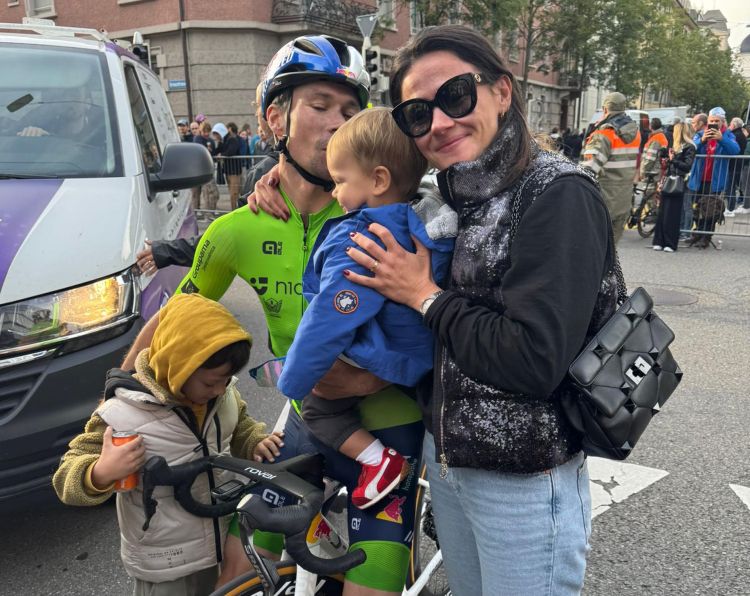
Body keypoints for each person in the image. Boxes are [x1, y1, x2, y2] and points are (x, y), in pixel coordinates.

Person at [125, 35, 423, 596]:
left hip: (390, 429)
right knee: (237, 570)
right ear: (274, 118)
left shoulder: (381, 212)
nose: (337, 122)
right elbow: (177, 313)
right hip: (309, 421)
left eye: (350, 111)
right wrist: (114, 399)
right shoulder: (238, 229)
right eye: (320, 105)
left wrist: (372, 377)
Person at [340, 24, 614, 595]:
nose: (439, 122)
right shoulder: (450, 196)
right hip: (449, 464)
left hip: (523, 480)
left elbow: (535, 360)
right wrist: (276, 179)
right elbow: (355, 176)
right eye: (418, 114)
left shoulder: (557, 193)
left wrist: (424, 296)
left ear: (501, 92)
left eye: (456, 96)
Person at [277, 107, 455, 510]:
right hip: (420, 350)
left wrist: (294, 379)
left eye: (340, 181)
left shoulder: (361, 238)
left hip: (381, 352)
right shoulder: (425, 220)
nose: (334, 193)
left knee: (316, 410)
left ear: (378, 180)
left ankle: (378, 463)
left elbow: (330, 316)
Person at [52, 293, 283, 596]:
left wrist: (254, 441)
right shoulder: (122, 414)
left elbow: (239, 424)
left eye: (226, 380)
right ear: (178, 368)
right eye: (210, 382)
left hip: (221, 542)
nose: (219, 390)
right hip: (166, 564)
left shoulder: (222, 396)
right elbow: (65, 478)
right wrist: (101, 472)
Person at [581, 91, 641, 242]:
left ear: (605, 109)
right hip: (624, 197)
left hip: (604, 196)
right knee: (612, 245)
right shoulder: (635, 132)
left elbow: (588, 169)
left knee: (594, 245)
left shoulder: (605, 133)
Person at [686, 106, 740, 248]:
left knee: (711, 209)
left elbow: (735, 150)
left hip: (715, 180)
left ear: (722, 121)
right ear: (708, 121)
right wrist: (703, 140)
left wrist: (722, 139)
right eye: (712, 121)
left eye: (717, 121)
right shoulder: (701, 133)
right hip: (699, 178)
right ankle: (697, 233)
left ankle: (706, 236)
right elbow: (690, 149)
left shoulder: (728, 135)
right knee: (698, 207)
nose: (714, 123)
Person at [652, 122, 695, 252]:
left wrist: (673, 160)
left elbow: (687, 166)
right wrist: (664, 154)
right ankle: (659, 240)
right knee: (663, 212)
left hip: (678, 180)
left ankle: (670, 242)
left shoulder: (689, 147)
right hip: (669, 179)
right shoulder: (674, 146)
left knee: (673, 213)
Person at [680, 113, 708, 240]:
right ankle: (684, 230)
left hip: (692, 175)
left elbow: (693, 146)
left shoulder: (700, 136)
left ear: (701, 123)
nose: (692, 125)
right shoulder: (699, 136)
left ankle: (685, 231)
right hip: (693, 175)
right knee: (686, 204)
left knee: (687, 205)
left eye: (694, 122)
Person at [192, 120, 220, 212]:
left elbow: (214, 152)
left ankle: (209, 212)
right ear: (201, 131)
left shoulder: (211, 140)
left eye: (208, 132)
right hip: (197, 169)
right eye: (205, 132)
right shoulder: (197, 139)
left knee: (210, 192)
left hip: (208, 169)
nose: (207, 134)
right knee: (196, 193)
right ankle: (196, 211)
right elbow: (199, 152)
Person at [726, 117, 747, 215]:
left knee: (730, 187)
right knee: (738, 185)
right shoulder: (741, 134)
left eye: (730, 124)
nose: (729, 126)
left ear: (734, 125)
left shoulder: (735, 135)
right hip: (738, 164)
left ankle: (730, 208)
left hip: (733, 164)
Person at [640, 118, 669, 183]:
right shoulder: (660, 136)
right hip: (656, 170)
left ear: (650, 126)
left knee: (649, 188)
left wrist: (642, 171)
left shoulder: (656, 138)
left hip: (651, 172)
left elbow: (650, 158)